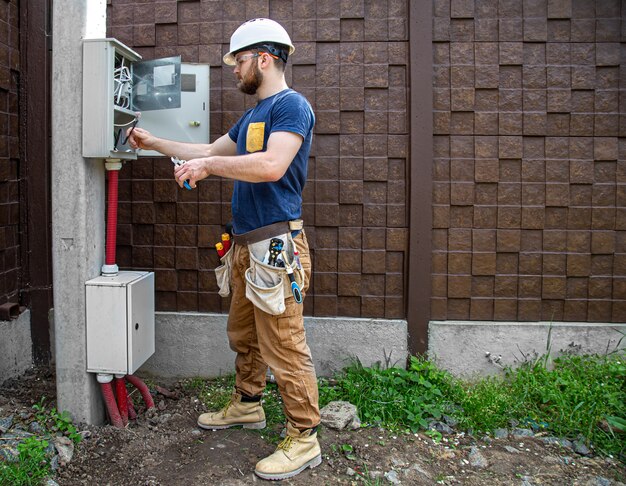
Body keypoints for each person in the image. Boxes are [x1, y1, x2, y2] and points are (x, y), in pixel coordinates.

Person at [127, 18, 321, 481]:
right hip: (244, 245)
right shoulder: (253, 113)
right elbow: (207, 147)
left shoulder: (291, 107)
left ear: (265, 58)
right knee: (245, 335)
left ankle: (304, 437)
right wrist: (154, 143)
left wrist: (209, 166)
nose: (234, 70)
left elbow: (273, 165)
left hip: (276, 245)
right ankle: (248, 405)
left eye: (239, 61)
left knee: (285, 345)